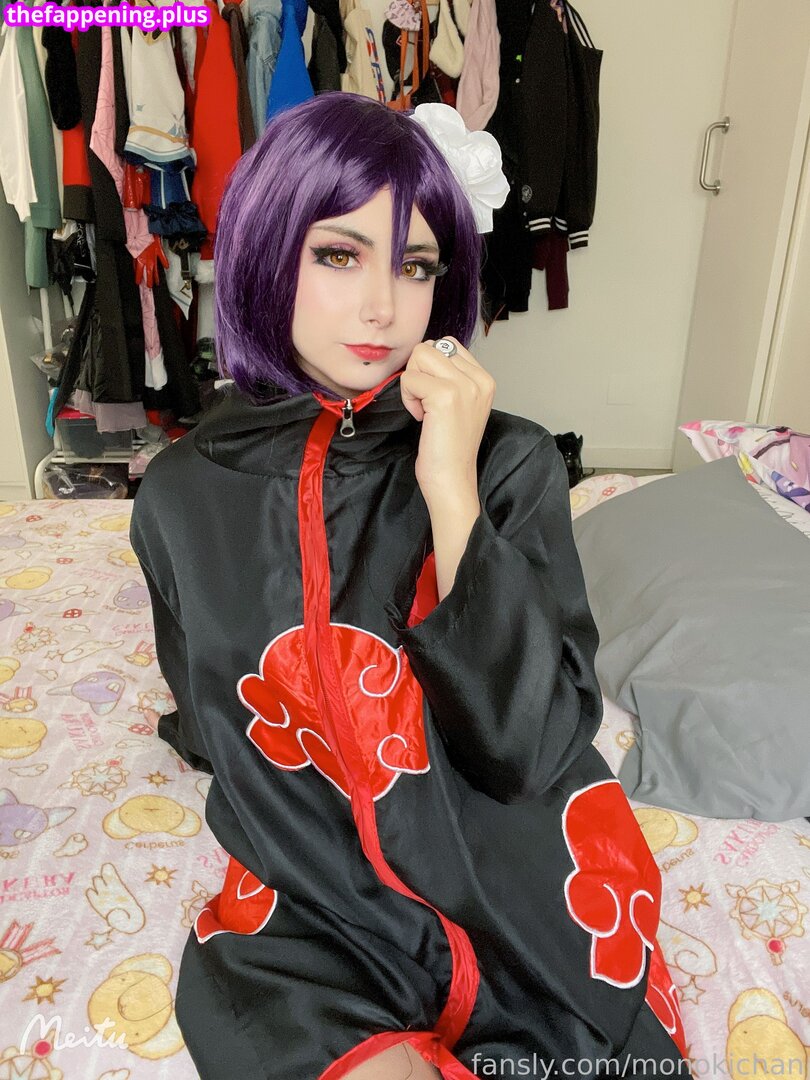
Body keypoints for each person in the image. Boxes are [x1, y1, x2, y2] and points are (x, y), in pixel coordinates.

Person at [129, 92, 689, 1080]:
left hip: (519, 890)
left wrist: (451, 489)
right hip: (316, 914)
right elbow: (212, 707)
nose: (384, 308)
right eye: (339, 255)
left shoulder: (509, 464)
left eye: (416, 266)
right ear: (267, 252)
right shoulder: (181, 493)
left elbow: (532, 747)